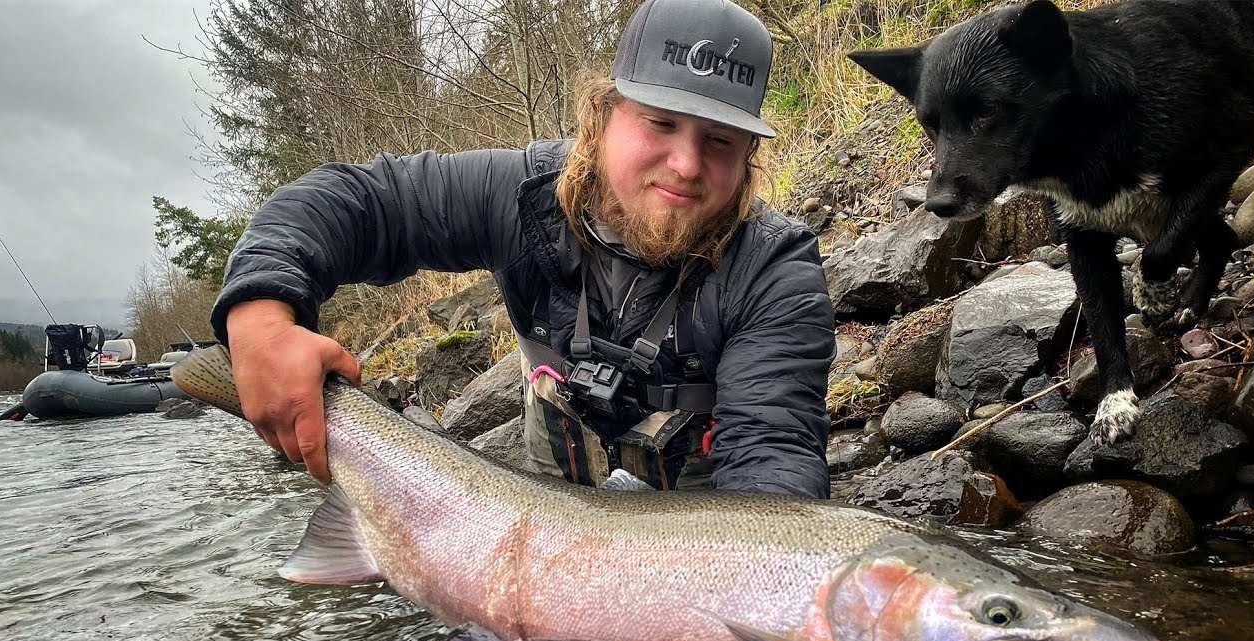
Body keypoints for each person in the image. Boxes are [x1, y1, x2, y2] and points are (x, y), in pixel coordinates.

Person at [212, 0, 836, 497]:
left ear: (748, 157)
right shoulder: (523, 196)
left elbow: (773, 465)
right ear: (603, 114)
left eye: (720, 141)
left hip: (684, 560)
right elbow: (364, 200)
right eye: (661, 123)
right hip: (528, 530)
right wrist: (261, 316)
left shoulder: (774, 271)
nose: (685, 164)